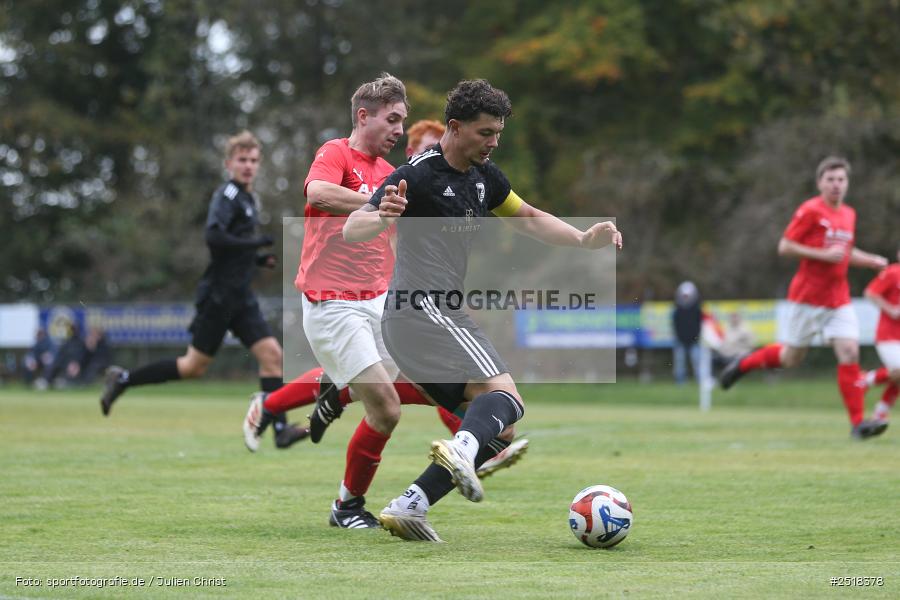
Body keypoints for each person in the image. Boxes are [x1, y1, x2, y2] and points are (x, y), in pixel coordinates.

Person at [344, 78, 622, 541]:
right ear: (454, 127)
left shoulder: (485, 177)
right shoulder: (419, 173)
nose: (494, 142)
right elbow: (353, 228)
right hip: (423, 310)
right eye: (485, 133)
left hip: (420, 321)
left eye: (498, 134)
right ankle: (460, 448)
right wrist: (381, 215)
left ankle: (410, 505)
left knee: (499, 430)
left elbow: (529, 217)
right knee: (508, 399)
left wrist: (580, 239)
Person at [243, 117, 528, 477]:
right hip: (343, 297)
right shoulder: (386, 172)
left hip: (389, 295)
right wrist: (378, 205)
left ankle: (464, 443)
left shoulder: (412, 179)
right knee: (389, 397)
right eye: (425, 146)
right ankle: (289, 415)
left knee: (408, 383)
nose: (434, 152)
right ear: (413, 153)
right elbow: (320, 194)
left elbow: (409, 247)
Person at [99, 131, 308, 448]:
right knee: (192, 367)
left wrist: (255, 258)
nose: (248, 165)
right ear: (229, 163)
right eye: (242, 160)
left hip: (241, 297)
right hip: (219, 297)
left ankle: (279, 430)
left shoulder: (249, 199)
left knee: (273, 357)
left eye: (253, 160)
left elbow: (232, 248)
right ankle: (123, 379)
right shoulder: (227, 195)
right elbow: (214, 237)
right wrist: (253, 244)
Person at [719, 156, 888, 439]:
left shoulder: (848, 214)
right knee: (790, 358)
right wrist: (822, 254)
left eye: (841, 180)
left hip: (839, 299)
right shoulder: (810, 210)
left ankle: (858, 424)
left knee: (850, 352)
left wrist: (870, 260)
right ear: (820, 182)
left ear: (847, 183)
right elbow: (785, 246)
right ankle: (744, 363)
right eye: (830, 179)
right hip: (807, 299)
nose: (836, 185)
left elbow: (844, 251)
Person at [862, 244, 900, 426]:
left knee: (898, 376)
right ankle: (865, 380)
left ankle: (879, 414)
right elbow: (870, 293)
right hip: (889, 336)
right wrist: (891, 309)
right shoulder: (893, 272)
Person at [671, 281, 701, 384]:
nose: (686, 297)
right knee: (679, 362)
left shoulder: (697, 310)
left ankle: (700, 381)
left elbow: (700, 325)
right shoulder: (677, 310)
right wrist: (679, 337)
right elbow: (675, 325)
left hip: (694, 341)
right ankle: (680, 382)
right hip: (680, 340)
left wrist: (696, 337)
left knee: (697, 361)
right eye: (684, 296)